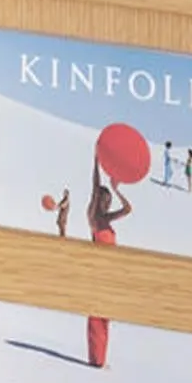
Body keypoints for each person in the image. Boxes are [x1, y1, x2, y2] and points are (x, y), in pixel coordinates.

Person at [83, 158, 132, 368]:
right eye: (105, 200)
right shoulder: (94, 217)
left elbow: (128, 209)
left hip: (109, 272)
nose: (108, 204)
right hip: (97, 271)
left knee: (105, 318)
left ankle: (101, 359)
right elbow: (94, 187)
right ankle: (95, 360)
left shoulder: (107, 219)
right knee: (96, 316)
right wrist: (95, 162)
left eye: (109, 201)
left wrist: (116, 189)